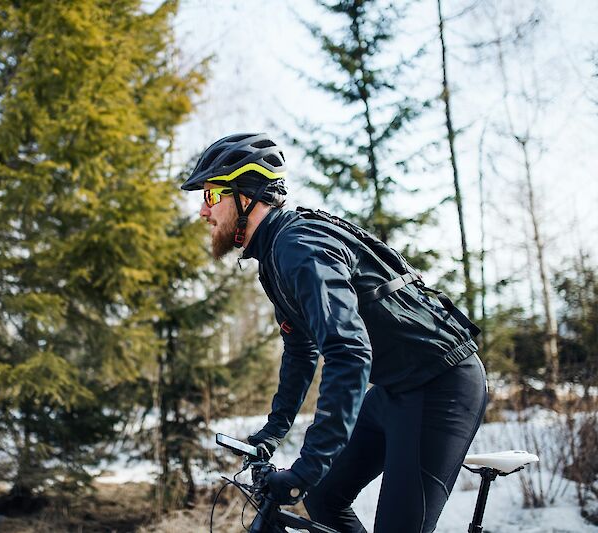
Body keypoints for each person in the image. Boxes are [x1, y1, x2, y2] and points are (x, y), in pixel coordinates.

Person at [182, 133, 488, 533]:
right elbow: (300, 350)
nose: (203, 212)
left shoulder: (297, 247)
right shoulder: (274, 255)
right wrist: (274, 431)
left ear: (246, 196)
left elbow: (349, 352)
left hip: (441, 385)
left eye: (210, 196)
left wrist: (308, 466)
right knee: (323, 498)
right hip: (395, 388)